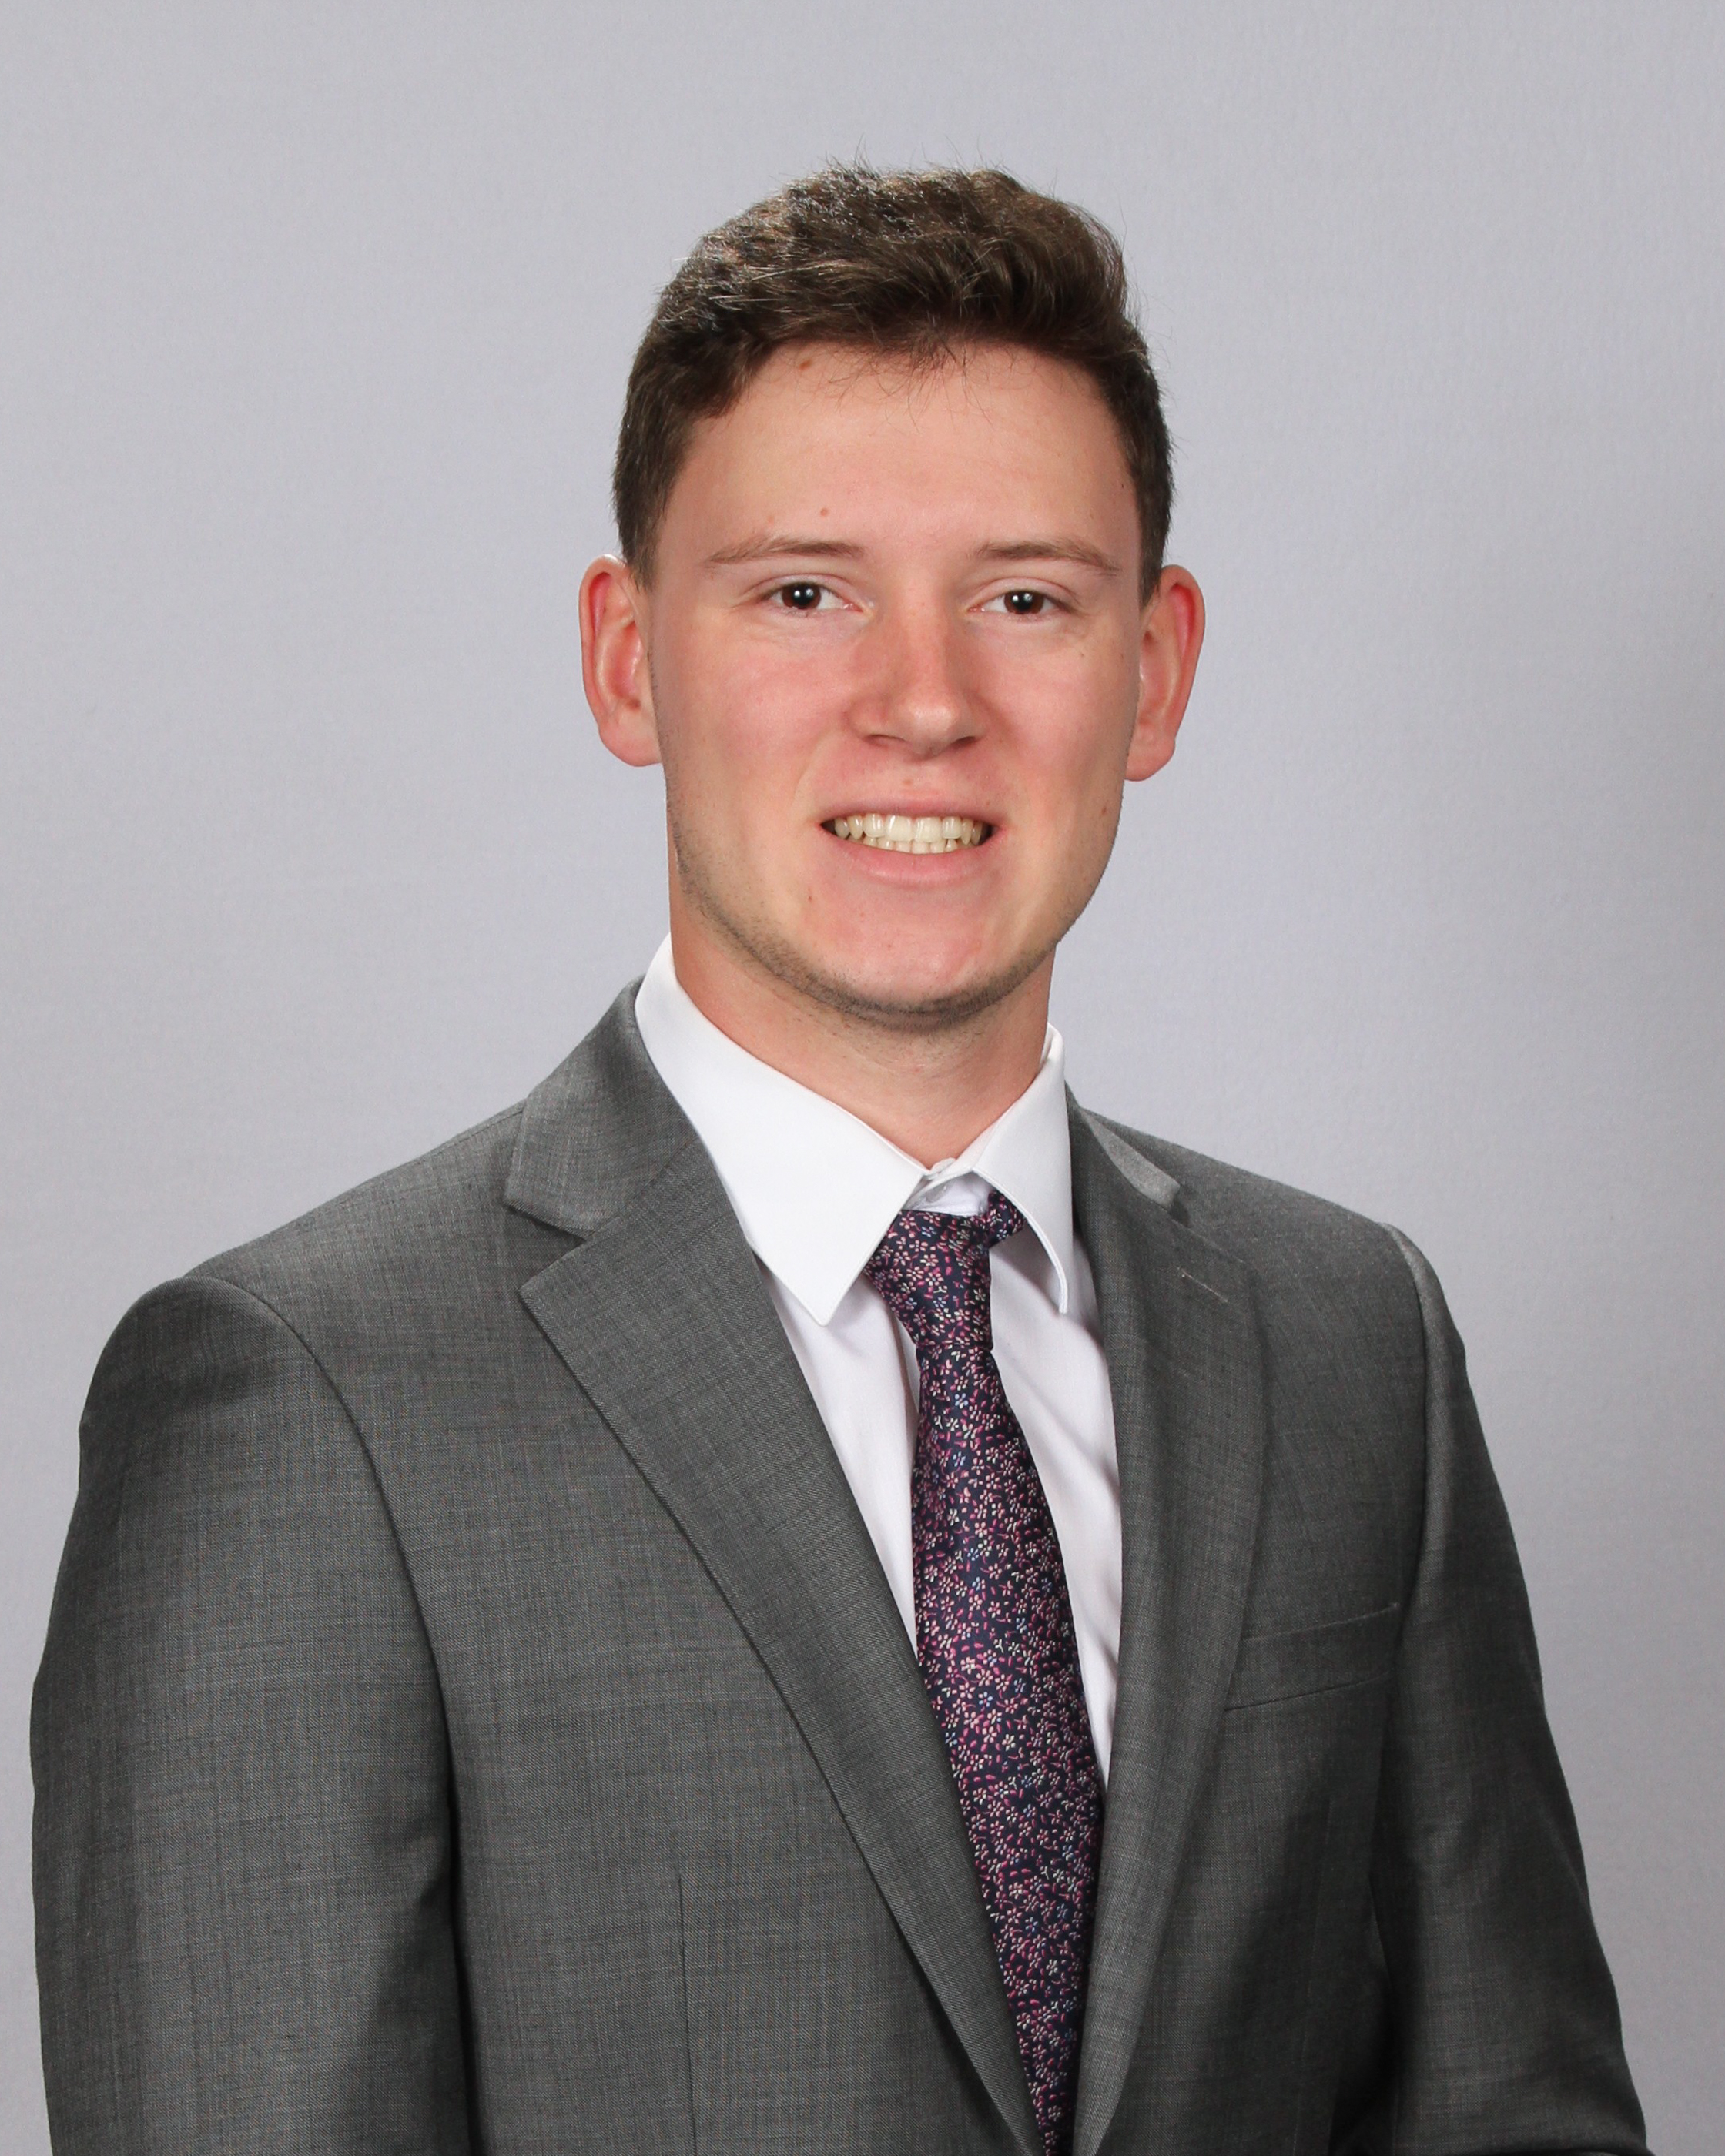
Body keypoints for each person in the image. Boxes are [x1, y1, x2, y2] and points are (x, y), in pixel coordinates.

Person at [32, 166, 1649, 2156]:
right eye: (805, 593)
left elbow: (1508, 2108)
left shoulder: (1350, 1345)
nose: (925, 705)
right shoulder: (306, 1397)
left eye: (1026, 599)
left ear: (1155, 669)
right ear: (629, 660)